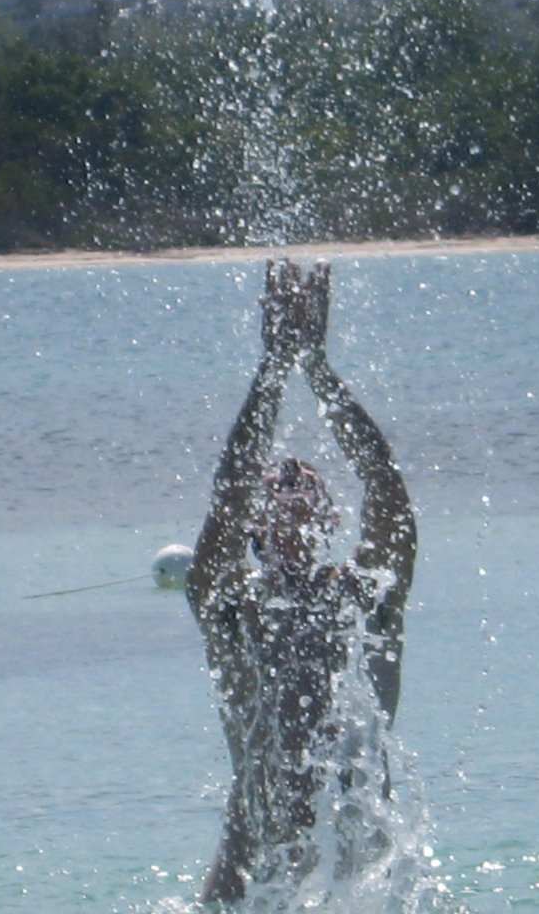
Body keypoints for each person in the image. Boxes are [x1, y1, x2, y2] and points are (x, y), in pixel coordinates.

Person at [186, 259, 416, 903]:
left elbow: (388, 492)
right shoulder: (228, 606)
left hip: (358, 865)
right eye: (275, 479)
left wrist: (316, 367)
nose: (288, 468)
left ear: (331, 516)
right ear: (254, 525)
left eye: (307, 476)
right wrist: (272, 369)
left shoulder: (366, 597)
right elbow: (227, 497)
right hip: (251, 867)